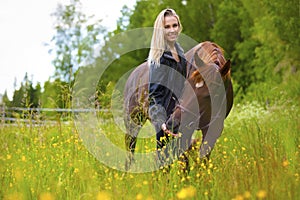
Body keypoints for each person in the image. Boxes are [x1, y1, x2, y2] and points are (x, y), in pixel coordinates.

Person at [148, 8, 187, 156]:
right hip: (167, 120)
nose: (172, 30)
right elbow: (154, 95)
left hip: (182, 113)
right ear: (160, 30)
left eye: (174, 25)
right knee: (165, 164)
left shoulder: (180, 52)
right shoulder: (159, 58)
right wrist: (160, 121)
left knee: (186, 163)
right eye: (167, 27)